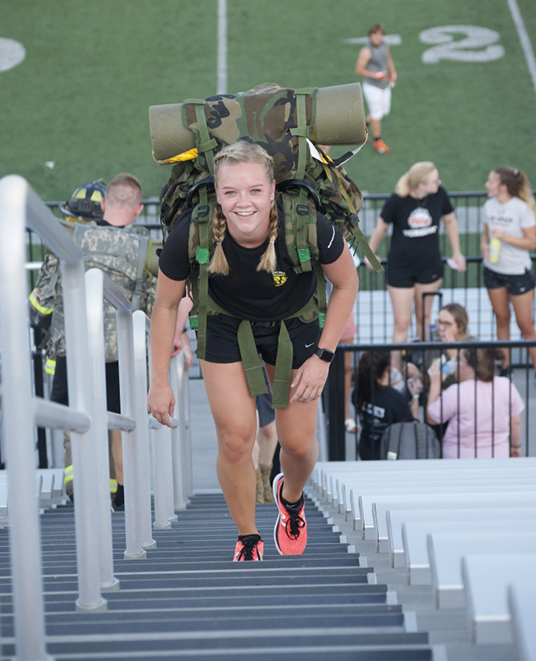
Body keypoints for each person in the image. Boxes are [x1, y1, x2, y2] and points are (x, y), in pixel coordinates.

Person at [148, 141, 358, 561]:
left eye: (254, 191)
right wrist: (157, 382)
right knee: (236, 439)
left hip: (296, 322)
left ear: (273, 189)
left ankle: (291, 498)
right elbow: (166, 304)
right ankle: (248, 535)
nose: (243, 203)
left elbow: (347, 284)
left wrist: (323, 357)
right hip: (224, 323)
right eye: (230, 193)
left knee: (297, 445)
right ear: (217, 194)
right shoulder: (192, 229)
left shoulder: (307, 224)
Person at [30, 174, 158, 507]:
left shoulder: (71, 240)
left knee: (76, 419)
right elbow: (152, 305)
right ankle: (124, 497)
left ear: (104, 204)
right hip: (120, 353)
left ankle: (82, 490)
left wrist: (38, 317)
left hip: (73, 349)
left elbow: (43, 297)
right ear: (138, 209)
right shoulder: (142, 249)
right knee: (121, 423)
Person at [366, 162, 466, 369]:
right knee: (402, 323)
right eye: (434, 181)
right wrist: (370, 254)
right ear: (420, 184)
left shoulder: (440, 194)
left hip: (429, 268)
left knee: (424, 317)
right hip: (400, 269)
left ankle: (423, 368)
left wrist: (457, 252)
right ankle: (396, 371)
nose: (439, 183)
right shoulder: (397, 200)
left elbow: (450, 222)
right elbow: (380, 228)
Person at [481, 167, 536, 379]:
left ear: (503, 187)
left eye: (491, 181)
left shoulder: (521, 209)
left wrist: (506, 237)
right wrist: (485, 246)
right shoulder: (488, 206)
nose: (487, 184)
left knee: (526, 326)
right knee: (502, 319)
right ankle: (505, 367)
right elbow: (485, 235)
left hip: (517, 272)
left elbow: (532, 242)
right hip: (493, 271)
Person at [427, 347, 524, 458]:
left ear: (471, 367)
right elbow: (516, 422)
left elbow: (432, 417)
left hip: (459, 459)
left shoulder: (456, 392)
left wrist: (435, 384)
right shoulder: (506, 385)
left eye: (459, 360)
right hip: (498, 456)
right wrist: (515, 446)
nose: (456, 365)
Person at [353, 350, 417, 460]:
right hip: (389, 453)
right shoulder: (396, 399)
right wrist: (416, 396)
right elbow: (410, 426)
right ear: (387, 369)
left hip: (365, 447)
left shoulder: (358, 391)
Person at [355, 23, 397, 154]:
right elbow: (359, 70)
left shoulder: (385, 45)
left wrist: (393, 72)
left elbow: (388, 59)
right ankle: (378, 141)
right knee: (377, 114)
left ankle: (363, 127)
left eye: (379, 35)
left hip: (384, 85)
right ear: (370, 36)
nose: (377, 37)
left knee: (383, 111)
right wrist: (375, 75)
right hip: (372, 87)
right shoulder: (366, 51)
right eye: (374, 34)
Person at [253, 390, 277, 504]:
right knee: (250, 427)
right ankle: (257, 488)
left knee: (269, 429)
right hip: (240, 373)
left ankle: (264, 482)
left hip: (267, 372)